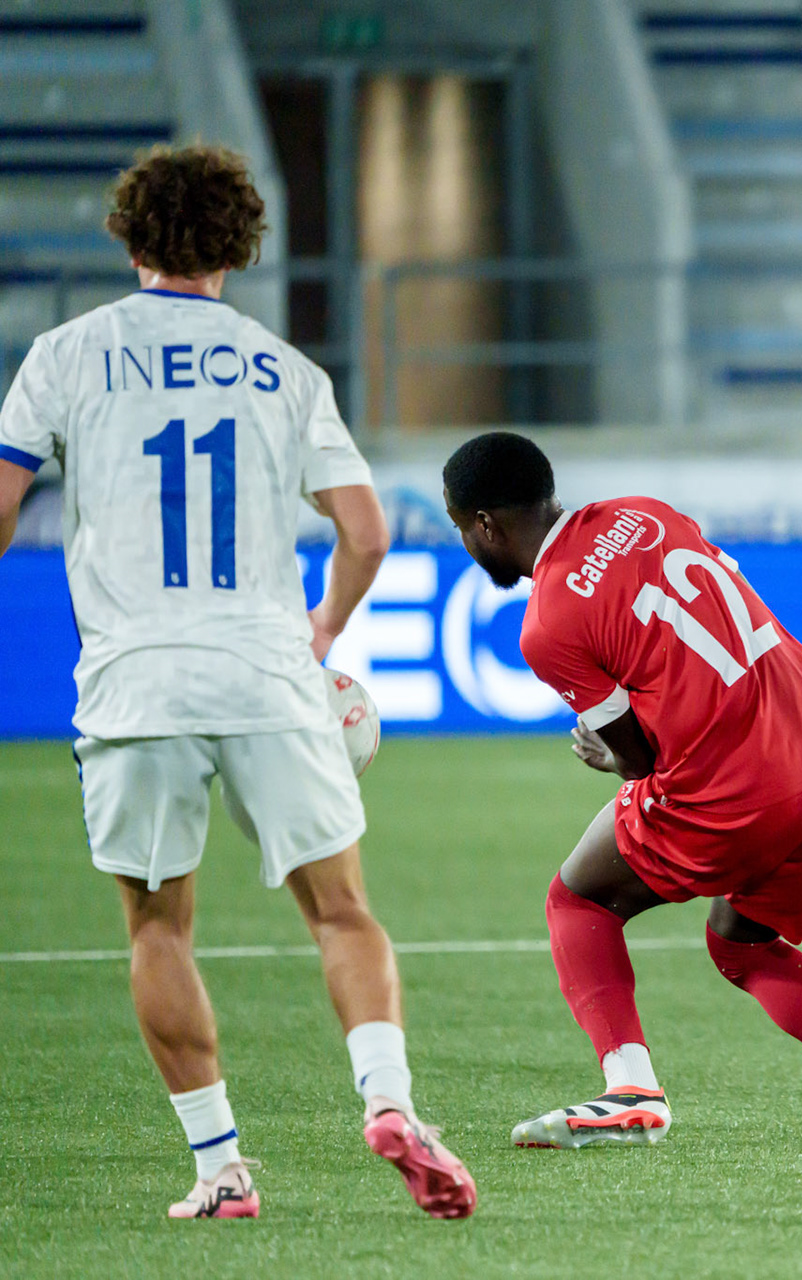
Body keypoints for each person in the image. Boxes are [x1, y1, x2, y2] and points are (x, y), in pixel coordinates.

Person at [0, 145, 474, 1219]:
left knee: (159, 927)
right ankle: (390, 1099)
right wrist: (324, 627)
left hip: (134, 677)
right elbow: (364, 530)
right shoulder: (283, 370)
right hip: (267, 669)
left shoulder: (65, 355)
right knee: (343, 910)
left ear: (127, 239)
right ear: (239, 248)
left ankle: (221, 1168)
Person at [440, 432, 802, 1147]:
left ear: (484, 526)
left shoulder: (548, 623)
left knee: (578, 900)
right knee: (743, 944)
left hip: (735, 790)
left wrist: (605, 748)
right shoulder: (644, 512)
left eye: (462, 531)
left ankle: (631, 1089)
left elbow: (637, 760)